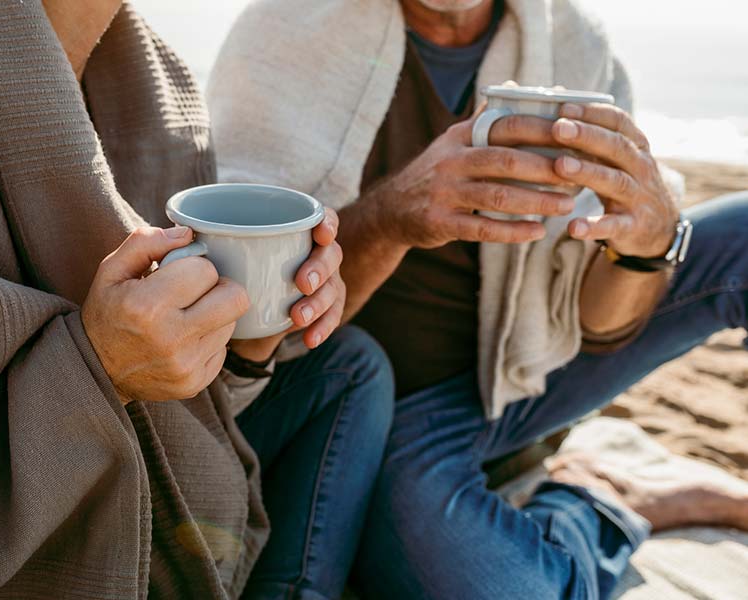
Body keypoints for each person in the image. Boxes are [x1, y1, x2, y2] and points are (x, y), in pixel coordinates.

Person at [0, 1, 394, 599]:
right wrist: (98, 369)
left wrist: (245, 337)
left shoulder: (161, 87)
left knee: (351, 365)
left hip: (170, 494)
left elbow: (190, 397)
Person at [208, 0, 748, 598]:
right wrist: (390, 219)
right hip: (378, 412)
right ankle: (596, 505)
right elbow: (258, 335)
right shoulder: (285, 32)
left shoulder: (576, 44)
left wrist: (644, 249)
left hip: (528, 370)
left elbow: (598, 326)